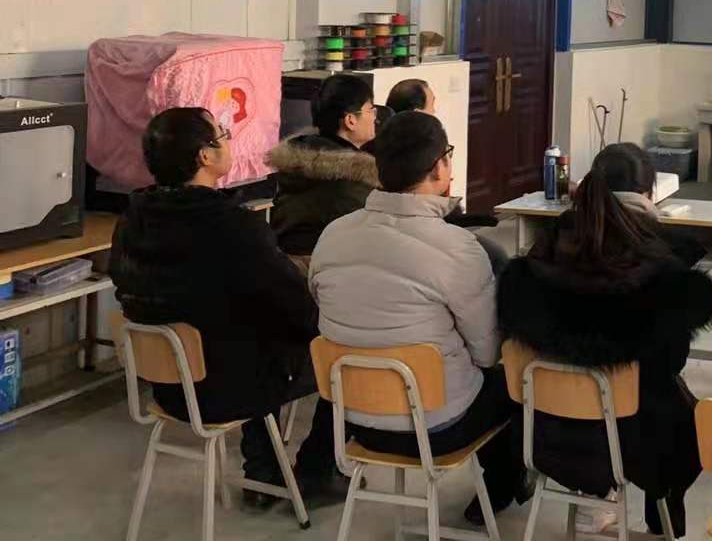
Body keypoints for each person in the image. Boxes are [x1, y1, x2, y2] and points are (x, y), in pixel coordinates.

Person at [110, 108, 338, 504]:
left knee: (252, 336)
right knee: (338, 357)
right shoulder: (233, 226)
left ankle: (264, 473)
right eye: (223, 134)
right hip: (228, 387)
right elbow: (295, 306)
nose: (230, 140)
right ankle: (317, 474)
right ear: (205, 155)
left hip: (168, 385)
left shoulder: (131, 220)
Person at [308, 111, 527, 520]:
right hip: (437, 428)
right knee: (513, 381)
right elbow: (487, 352)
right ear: (440, 166)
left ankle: (500, 488)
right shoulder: (458, 247)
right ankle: (499, 488)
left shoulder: (332, 234)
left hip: (353, 421)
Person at [498, 143, 712, 537]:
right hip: (636, 438)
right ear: (651, 193)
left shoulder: (542, 255)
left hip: (545, 430)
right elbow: (671, 362)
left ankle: (593, 495)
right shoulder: (665, 268)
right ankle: (661, 519)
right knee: (672, 403)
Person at [267, 73, 378, 262]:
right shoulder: (352, 182)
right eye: (371, 110)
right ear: (350, 120)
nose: (376, 117)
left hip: (287, 264)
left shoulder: (298, 160)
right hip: (327, 266)